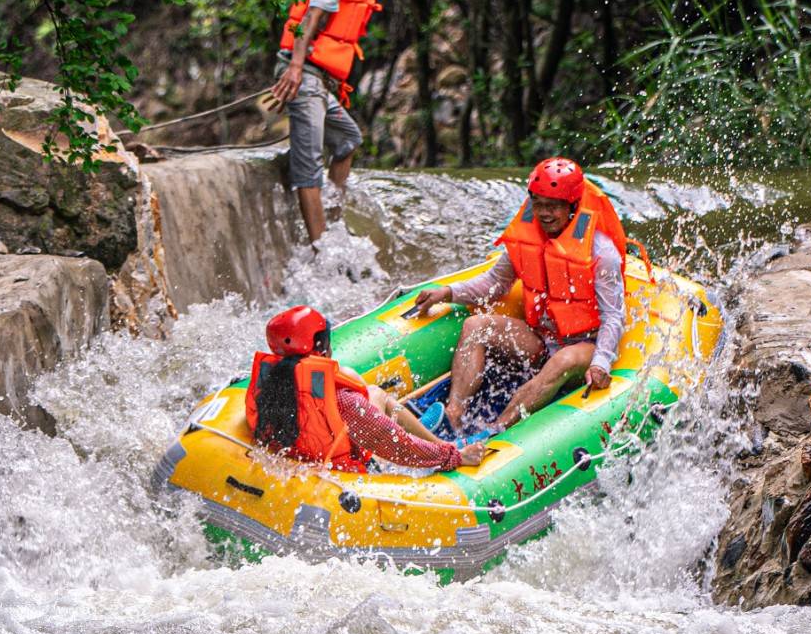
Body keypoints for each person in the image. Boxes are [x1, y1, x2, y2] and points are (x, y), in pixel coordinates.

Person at [410, 157, 629, 434]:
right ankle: (453, 417)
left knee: (562, 360)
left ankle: (493, 432)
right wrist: (448, 293)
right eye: (538, 204)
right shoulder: (528, 238)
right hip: (542, 338)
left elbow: (613, 316)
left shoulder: (601, 252)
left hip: (585, 345)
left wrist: (601, 362)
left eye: (553, 206)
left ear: (572, 206)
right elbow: (494, 283)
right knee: (475, 326)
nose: (544, 213)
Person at [246, 306, 485, 472]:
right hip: (348, 475)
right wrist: (453, 458)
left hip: (302, 463)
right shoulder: (343, 400)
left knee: (376, 393)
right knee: (379, 410)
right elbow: (396, 444)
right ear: (321, 348)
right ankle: (445, 445)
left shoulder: (268, 384)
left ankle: (426, 432)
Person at [270, 0, 379, 243]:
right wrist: (295, 66)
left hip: (316, 80)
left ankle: (332, 225)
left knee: (348, 139)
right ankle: (321, 249)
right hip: (305, 76)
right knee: (309, 165)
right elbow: (311, 14)